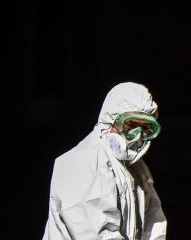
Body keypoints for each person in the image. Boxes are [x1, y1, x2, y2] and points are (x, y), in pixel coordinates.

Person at [42, 82, 167, 240]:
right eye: (132, 125)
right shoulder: (83, 162)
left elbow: (154, 226)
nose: (137, 136)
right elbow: (96, 233)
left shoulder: (137, 170)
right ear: (111, 119)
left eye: (146, 128)